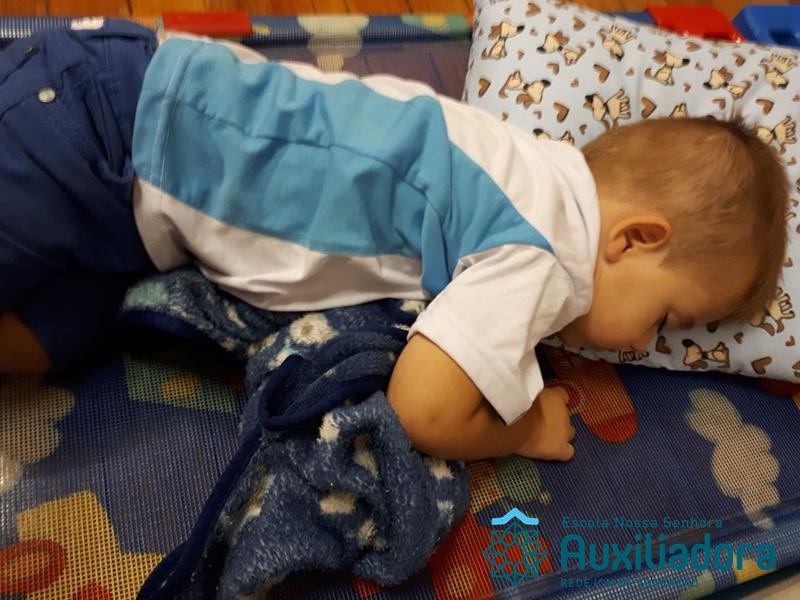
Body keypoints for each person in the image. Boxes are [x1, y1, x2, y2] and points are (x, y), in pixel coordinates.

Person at [0, 22, 789, 463]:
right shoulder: (545, 250)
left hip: (131, 190)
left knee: (41, 344)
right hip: (107, 126)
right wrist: (523, 429)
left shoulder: (532, 162)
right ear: (636, 239)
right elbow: (422, 409)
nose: (647, 345)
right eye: (666, 319)